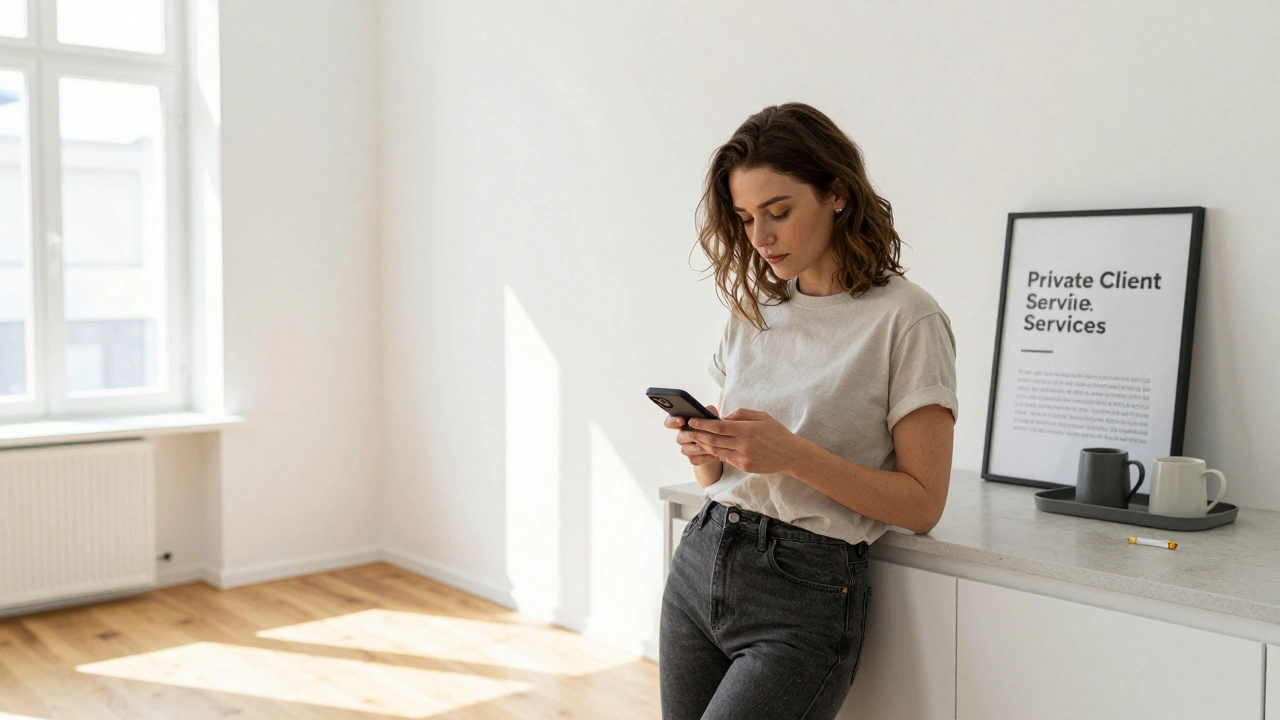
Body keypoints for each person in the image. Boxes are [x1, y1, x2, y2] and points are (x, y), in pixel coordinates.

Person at [658, 102, 958, 719]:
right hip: (701, 561)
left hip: (804, 592)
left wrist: (792, 455)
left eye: (779, 212)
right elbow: (724, 481)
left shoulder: (907, 319)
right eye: (745, 219)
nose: (760, 238)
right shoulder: (754, 313)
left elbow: (923, 504)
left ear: (838, 194)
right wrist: (705, 450)